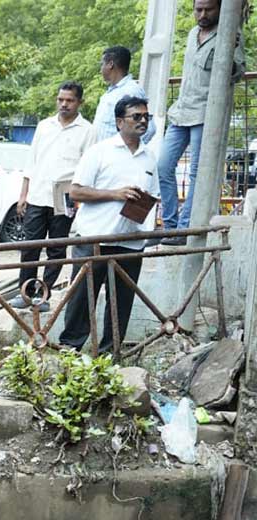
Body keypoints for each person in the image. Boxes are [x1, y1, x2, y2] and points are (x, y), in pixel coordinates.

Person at [59, 96, 160, 354]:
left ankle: (109, 357)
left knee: (120, 305)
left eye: (146, 116)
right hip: (95, 239)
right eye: (136, 116)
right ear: (119, 122)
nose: (142, 121)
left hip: (131, 241)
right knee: (82, 300)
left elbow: (154, 194)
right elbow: (76, 192)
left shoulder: (149, 157)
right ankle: (69, 352)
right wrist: (116, 194)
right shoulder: (99, 152)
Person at [158, 0, 245, 243]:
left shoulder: (230, 33)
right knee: (163, 166)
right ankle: (170, 226)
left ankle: (185, 228)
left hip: (206, 112)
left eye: (209, 9)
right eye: (199, 9)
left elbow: (238, 71)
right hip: (181, 110)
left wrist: (230, 54)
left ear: (219, 9)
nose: (203, 14)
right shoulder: (192, 34)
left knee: (198, 171)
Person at [12, 81, 92, 309]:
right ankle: (26, 292)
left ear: (79, 102)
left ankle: (42, 295)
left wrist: (79, 199)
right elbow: (32, 161)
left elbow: (87, 168)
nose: (64, 104)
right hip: (38, 192)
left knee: (56, 248)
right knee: (30, 246)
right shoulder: (45, 126)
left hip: (65, 195)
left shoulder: (87, 130)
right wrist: (23, 194)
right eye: (61, 100)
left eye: (70, 100)